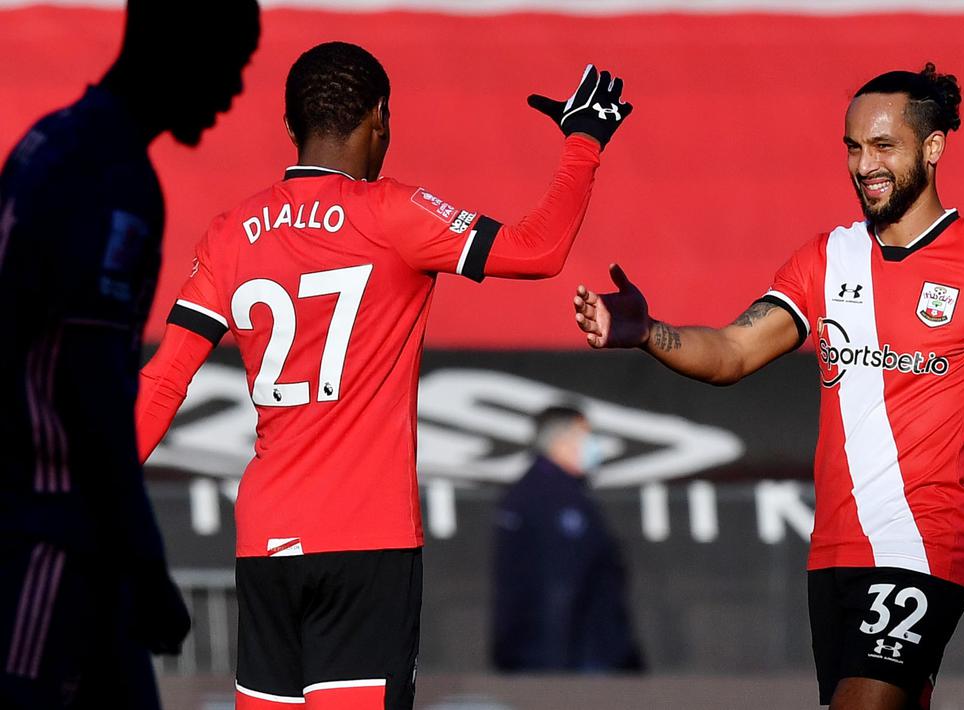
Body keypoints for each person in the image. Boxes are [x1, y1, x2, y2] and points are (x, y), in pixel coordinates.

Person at [572, 63, 964, 710]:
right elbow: (733, 352)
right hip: (833, 553)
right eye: (852, 147)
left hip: (923, 542)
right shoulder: (825, 259)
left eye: (882, 146)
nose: (863, 164)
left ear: (931, 149)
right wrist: (648, 331)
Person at [131, 42, 631, 709]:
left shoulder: (231, 233)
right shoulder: (396, 214)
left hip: (265, 540)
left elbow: (162, 384)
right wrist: (583, 143)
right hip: (366, 540)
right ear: (380, 120)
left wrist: (79, 495)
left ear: (290, 129)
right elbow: (537, 251)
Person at [0, 1, 259, 707]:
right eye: (230, 69)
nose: (234, 93)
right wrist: (146, 561)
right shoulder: (110, 180)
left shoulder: (48, 143)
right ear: (179, 54)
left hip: (80, 539)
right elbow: (88, 389)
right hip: (47, 536)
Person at [491, 404, 643, 673]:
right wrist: (557, 670)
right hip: (570, 659)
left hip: (546, 654)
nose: (594, 446)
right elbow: (560, 587)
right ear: (562, 441)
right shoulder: (553, 498)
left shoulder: (530, 491)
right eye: (586, 435)